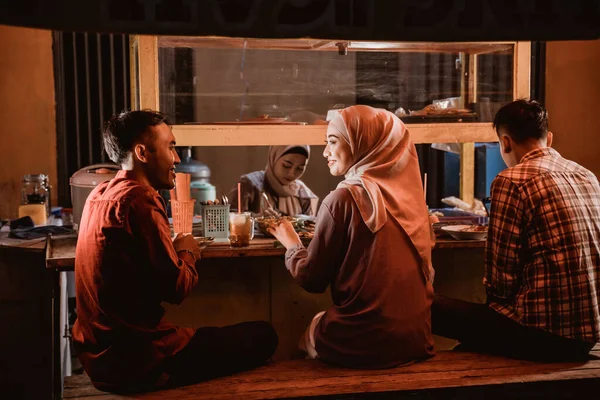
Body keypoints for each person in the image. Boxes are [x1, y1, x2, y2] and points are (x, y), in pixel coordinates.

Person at [73, 110, 278, 393]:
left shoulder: (100, 194)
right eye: (171, 147)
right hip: (140, 360)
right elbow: (177, 288)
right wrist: (188, 251)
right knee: (265, 335)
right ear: (143, 153)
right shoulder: (140, 199)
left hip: (98, 357)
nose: (178, 159)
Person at [268, 105, 435, 368]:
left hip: (361, 342)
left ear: (364, 144)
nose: (325, 152)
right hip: (417, 340)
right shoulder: (414, 203)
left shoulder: (343, 199)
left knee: (304, 337)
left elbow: (311, 279)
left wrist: (292, 244)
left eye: (333, 142)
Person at [432, 99, 600, 361]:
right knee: (471, 339)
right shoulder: (586, 175)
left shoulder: (512, 180)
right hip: (589, 334)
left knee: (426, 306)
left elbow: (502, 281)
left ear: (506, 142)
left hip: (543, 334)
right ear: (549, 138)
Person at [229, 145, 319, 217]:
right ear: (274, 158)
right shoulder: (249, 185)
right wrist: (256, 219)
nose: (292, 173)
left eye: (300, 168)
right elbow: (228, 220)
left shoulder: (304, 195)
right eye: (286, 165)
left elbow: (308, 233)